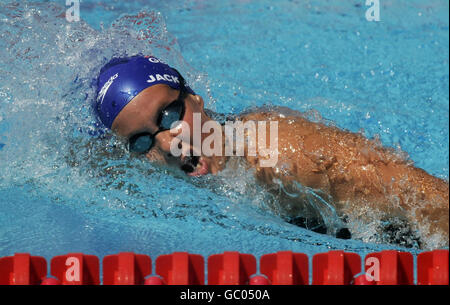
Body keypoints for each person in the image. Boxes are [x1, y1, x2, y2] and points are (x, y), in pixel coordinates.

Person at [95, 55, 449, 248]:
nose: (168, 144)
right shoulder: (152, 164)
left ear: (195, 98)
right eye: (141, 141)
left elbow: (421, 194)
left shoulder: (282, 155)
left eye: (170, 115)